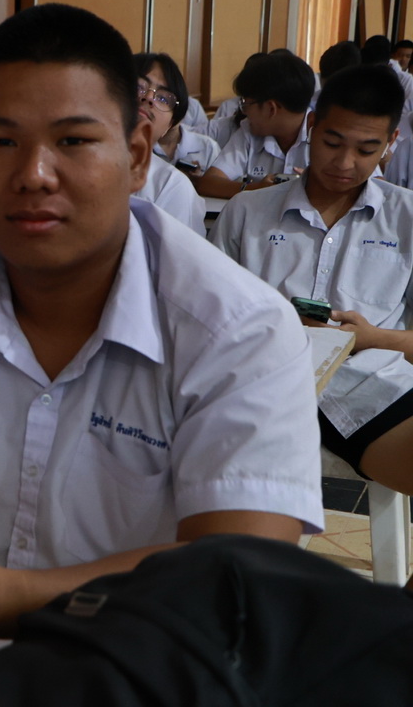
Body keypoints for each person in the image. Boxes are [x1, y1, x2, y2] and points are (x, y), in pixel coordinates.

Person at [0, 4, 323, 667]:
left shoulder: (240, 327)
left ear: (136, 157)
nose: (34, 174)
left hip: (147, 663)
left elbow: (237, 573)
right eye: (0, 142)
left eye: (73, 141)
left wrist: (14, 604)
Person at [210, 64, 413, 497]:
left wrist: (373, 338)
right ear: (312, 126)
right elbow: (205, 320)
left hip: (378, 384)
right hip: (266, 381)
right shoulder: (247, 212)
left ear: (391, 142)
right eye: (332, 143)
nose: (344, 163)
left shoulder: (406, 218)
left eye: (366, 150)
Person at [195, 50, 316, 198]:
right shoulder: (249, 131)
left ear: (271, 109)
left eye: (246, 105)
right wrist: (256, 189)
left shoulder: (322, 134)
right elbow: (208, 183)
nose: (244, 112)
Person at [131, 51, 209, 232]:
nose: (148, 97)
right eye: (138, 86)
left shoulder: (172, 185)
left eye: (163, 98)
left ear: (170, 125)